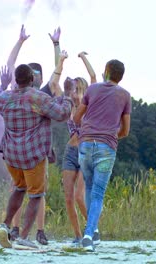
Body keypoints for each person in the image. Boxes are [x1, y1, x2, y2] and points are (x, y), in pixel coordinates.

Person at [0, 59, 73, 249]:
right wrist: (67, 94)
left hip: (11, 155)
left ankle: (5, 225)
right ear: (32, 79)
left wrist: (2, 85)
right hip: (33, 155)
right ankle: (23, 238)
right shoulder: (37, 98)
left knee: (19, 188)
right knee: (36, 194)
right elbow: (62, 114)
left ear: (16, 80)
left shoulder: (6, 97)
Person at [5, 25, 62, 245]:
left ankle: (39, 230)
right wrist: (19, 42)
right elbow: (10, 66)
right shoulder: (18, 90)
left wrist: (56, 45)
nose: (36, 76)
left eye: (38, 73)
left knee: (38, 191)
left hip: (38, 149)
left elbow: (58, 70)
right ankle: (16, 229)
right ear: (28, 77)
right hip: (20, 147)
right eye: (32, 72)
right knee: (20, 189)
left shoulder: (45, 92)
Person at [73, 59, 131, 252]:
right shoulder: (125, 96)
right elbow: (125, 131)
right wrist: (113, 136)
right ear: (120, 77)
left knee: (89, 188)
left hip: (86, 145)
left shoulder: (92, 90)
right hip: (106, 147)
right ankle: (88, 235)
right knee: (97, 193)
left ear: (106, 72)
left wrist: (88, 131)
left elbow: (76, 118)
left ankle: (93, 230)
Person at [58, 51, 97, 246]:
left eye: (76, 89)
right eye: (72, 89)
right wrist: (61, 60)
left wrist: (83, 58)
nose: (73, 93)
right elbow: (55, 85)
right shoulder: (67, 105)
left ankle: (92, 231)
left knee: (79, 197)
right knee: (68, 198)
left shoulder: (89, 104)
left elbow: (93, 78)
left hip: (86, 152)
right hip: (69, 153)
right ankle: (78, 235)